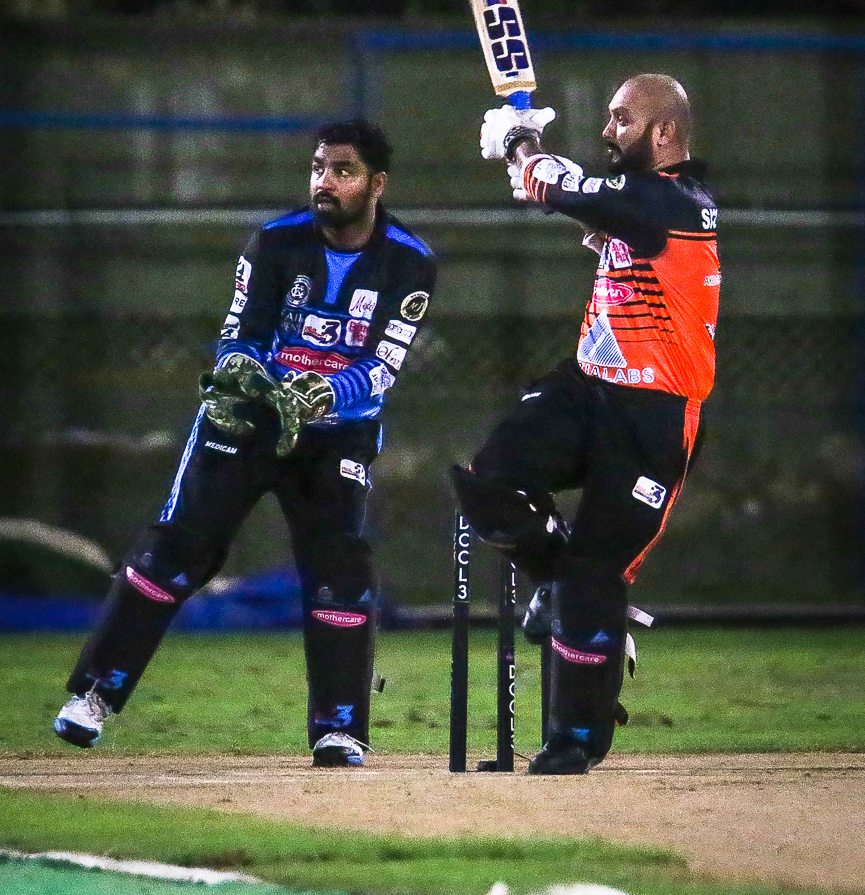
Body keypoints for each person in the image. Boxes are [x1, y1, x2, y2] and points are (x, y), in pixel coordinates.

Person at [54, 118, 436, 768]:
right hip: (250, 422)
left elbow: (383, 364)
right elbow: (241, 335)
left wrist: (321, 394)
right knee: (177, 547)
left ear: (377, 184)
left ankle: (339, 728)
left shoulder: (410, 261)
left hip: (337, 432)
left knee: (340, 567)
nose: (325, 181)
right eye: (318, 168)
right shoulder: (274, 241)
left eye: (342, 171)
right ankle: (93, 695)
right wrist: (246, 374)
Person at [451, 74, 719, 775]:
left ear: (665, 133)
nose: (608, 131)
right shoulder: (639, 202)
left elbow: (564, 187)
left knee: (596, 573)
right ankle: (557, 581)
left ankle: (573, 739)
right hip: (587, 387)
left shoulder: (678, 201)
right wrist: (531, 166)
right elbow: (575, 198)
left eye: (622, 119)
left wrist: (523, 145)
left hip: (656, 415)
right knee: (488, 481)